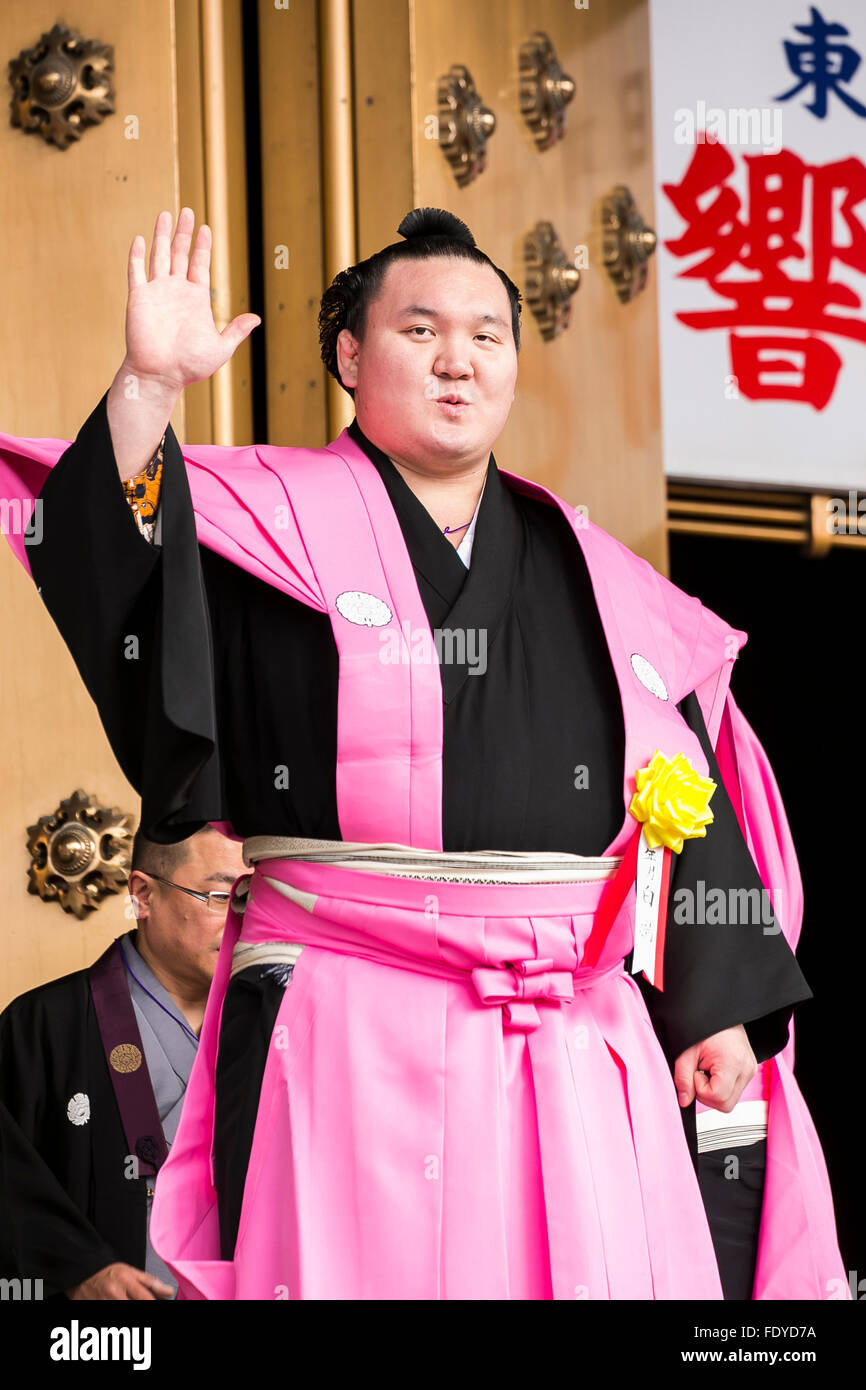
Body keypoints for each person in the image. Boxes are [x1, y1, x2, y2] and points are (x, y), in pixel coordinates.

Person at [0, 206, 847, 1300]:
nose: (458, 359)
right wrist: (149, 391)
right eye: (419, 329)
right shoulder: (262, 527)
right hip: (343, 1002)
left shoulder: (590, 567)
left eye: (487, 334)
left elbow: (679, 782)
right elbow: (105, 572)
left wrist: (712, 999)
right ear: (350, 355)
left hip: (570, 1023)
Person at [0, 824, 245, 1299]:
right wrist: (77, 1268)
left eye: (248, 897)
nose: (239, 918)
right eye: (219, 896)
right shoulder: (45, 1025)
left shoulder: (271, 1026)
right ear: (143, 895)